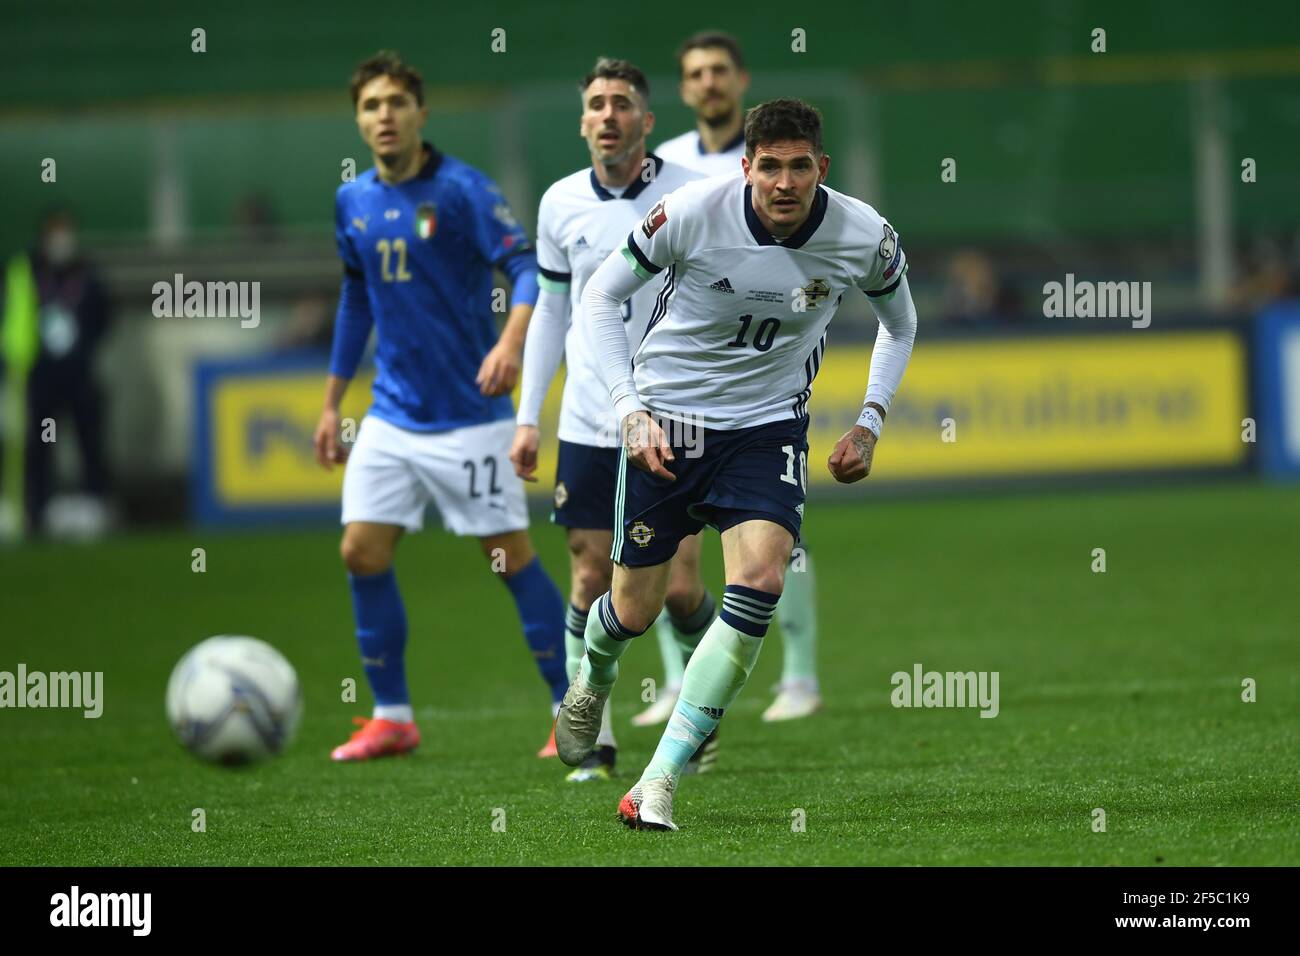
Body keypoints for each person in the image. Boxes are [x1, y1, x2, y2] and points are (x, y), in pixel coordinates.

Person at [557, 99, 917, 829]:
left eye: (800, 167)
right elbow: (599, 296)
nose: (785, 184)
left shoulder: (864, 235)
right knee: (634, 608)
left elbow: (900, 323)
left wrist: (870, 421)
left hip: (765, 427)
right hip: (671, 422)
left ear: (822, 167)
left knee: (760, 580)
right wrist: (629, 410)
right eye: (771, 167)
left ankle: (658, 779)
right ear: (747, 167)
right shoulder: (690, 212)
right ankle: (591, 679)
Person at [315, 51, 568, 762]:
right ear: (359, 119)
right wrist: (333, 402)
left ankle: (568, 707)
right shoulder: (353, 200)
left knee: (507, 558)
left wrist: (512, 343)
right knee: (361, 550)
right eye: (371, 106)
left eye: (397, 102)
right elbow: (357, 295)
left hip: (470, 415)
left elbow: (524, 268)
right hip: (392, 414)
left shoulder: (462, 191)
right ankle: (392, 714)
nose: (385, 116)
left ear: (422, 112)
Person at [510, 58, 715, 782]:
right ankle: (588, 736)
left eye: (621, 104)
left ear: (646, 121)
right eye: (595, 104)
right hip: (592, 420)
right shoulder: (560, 203)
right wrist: (529, 415)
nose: (607, 115)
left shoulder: (693, 197)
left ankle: (697, 716)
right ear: (582, 122)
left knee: (678, 589)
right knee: (590, 574)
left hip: (673, 415)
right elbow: (551, 312)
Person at [644, 30, 823, 725]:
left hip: (771, 383)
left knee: (778, 541)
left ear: (740, 80)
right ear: (684, 88)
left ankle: (801, 675)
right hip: (686, 383)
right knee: (668, 542)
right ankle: (674, 678)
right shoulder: (670, 169)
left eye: (720, 70)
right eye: (696, 73)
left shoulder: (789, 168)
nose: (710, 82)